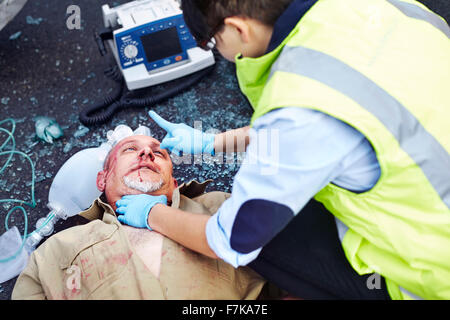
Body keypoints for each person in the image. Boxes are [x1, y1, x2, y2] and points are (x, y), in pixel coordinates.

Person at [115, 0, 450, 300]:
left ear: (237, 28)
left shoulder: (300, 108)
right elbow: (346, 112)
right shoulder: (390, 9)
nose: (146, 155)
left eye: (214, 42)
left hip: (433, 272)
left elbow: (230, 242)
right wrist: (212, 142)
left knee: (262, 237)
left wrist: (152, 213)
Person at [11, 131, 268, 300]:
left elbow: (297, 274)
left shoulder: (220, 206)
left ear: (173, 180)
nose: (146, 153)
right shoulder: (56, 250)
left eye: (158, 153)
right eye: (130, 150)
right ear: (102, 179)